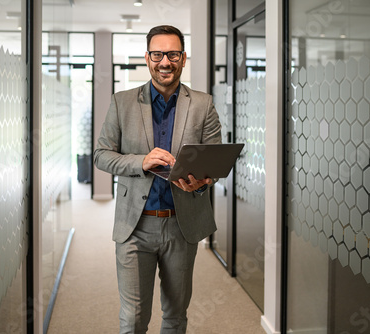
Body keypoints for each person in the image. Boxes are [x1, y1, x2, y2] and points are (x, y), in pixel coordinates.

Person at [93, 25, 222, 333]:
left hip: (182, 224)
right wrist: (143, 162)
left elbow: (214, 161)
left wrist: (202, 180)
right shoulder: (121, 102)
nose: (166, 62)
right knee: (134, 318)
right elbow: (101, 155)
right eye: (158, 54)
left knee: (176, 315)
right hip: (134, 227)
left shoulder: (203, 104)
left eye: (173, 54)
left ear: (184, 58)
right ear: (147, 57)